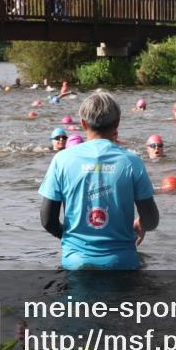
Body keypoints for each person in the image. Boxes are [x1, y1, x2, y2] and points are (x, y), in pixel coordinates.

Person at [38, 92, 160, 270]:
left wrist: (72, 239)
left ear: (83, 123)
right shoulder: (132, 162)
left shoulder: (61, 160)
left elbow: (47, 220)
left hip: (75, 263)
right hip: (122, 264)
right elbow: (151, 221)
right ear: (117, 123)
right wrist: (140, 223)